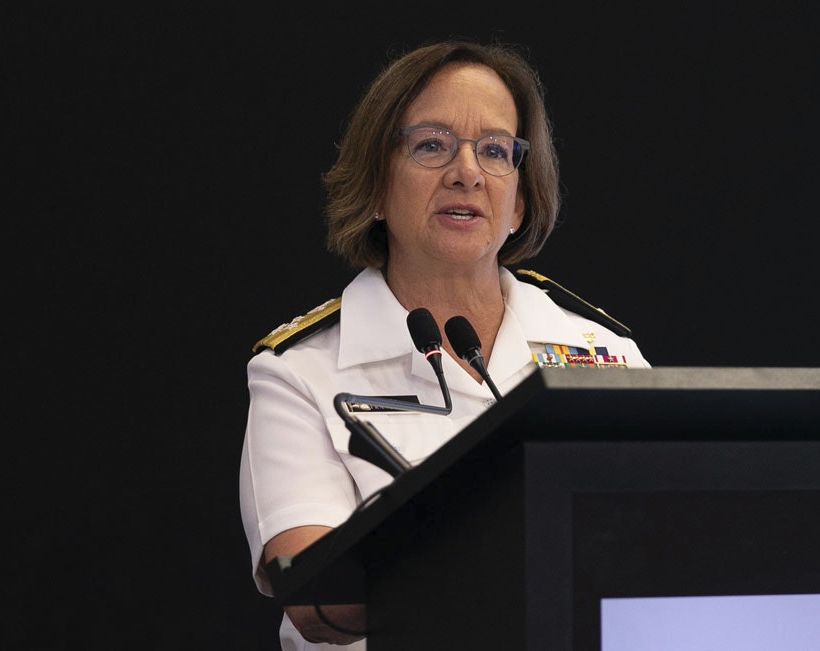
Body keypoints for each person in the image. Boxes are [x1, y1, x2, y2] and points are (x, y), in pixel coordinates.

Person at [239, 38, 650, 649]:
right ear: (377, 187)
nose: (467, 172)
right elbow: (318, 603)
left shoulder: (602, 351)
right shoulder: (300, 373)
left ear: (520, 199)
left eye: (494, 150)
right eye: (431, 145)